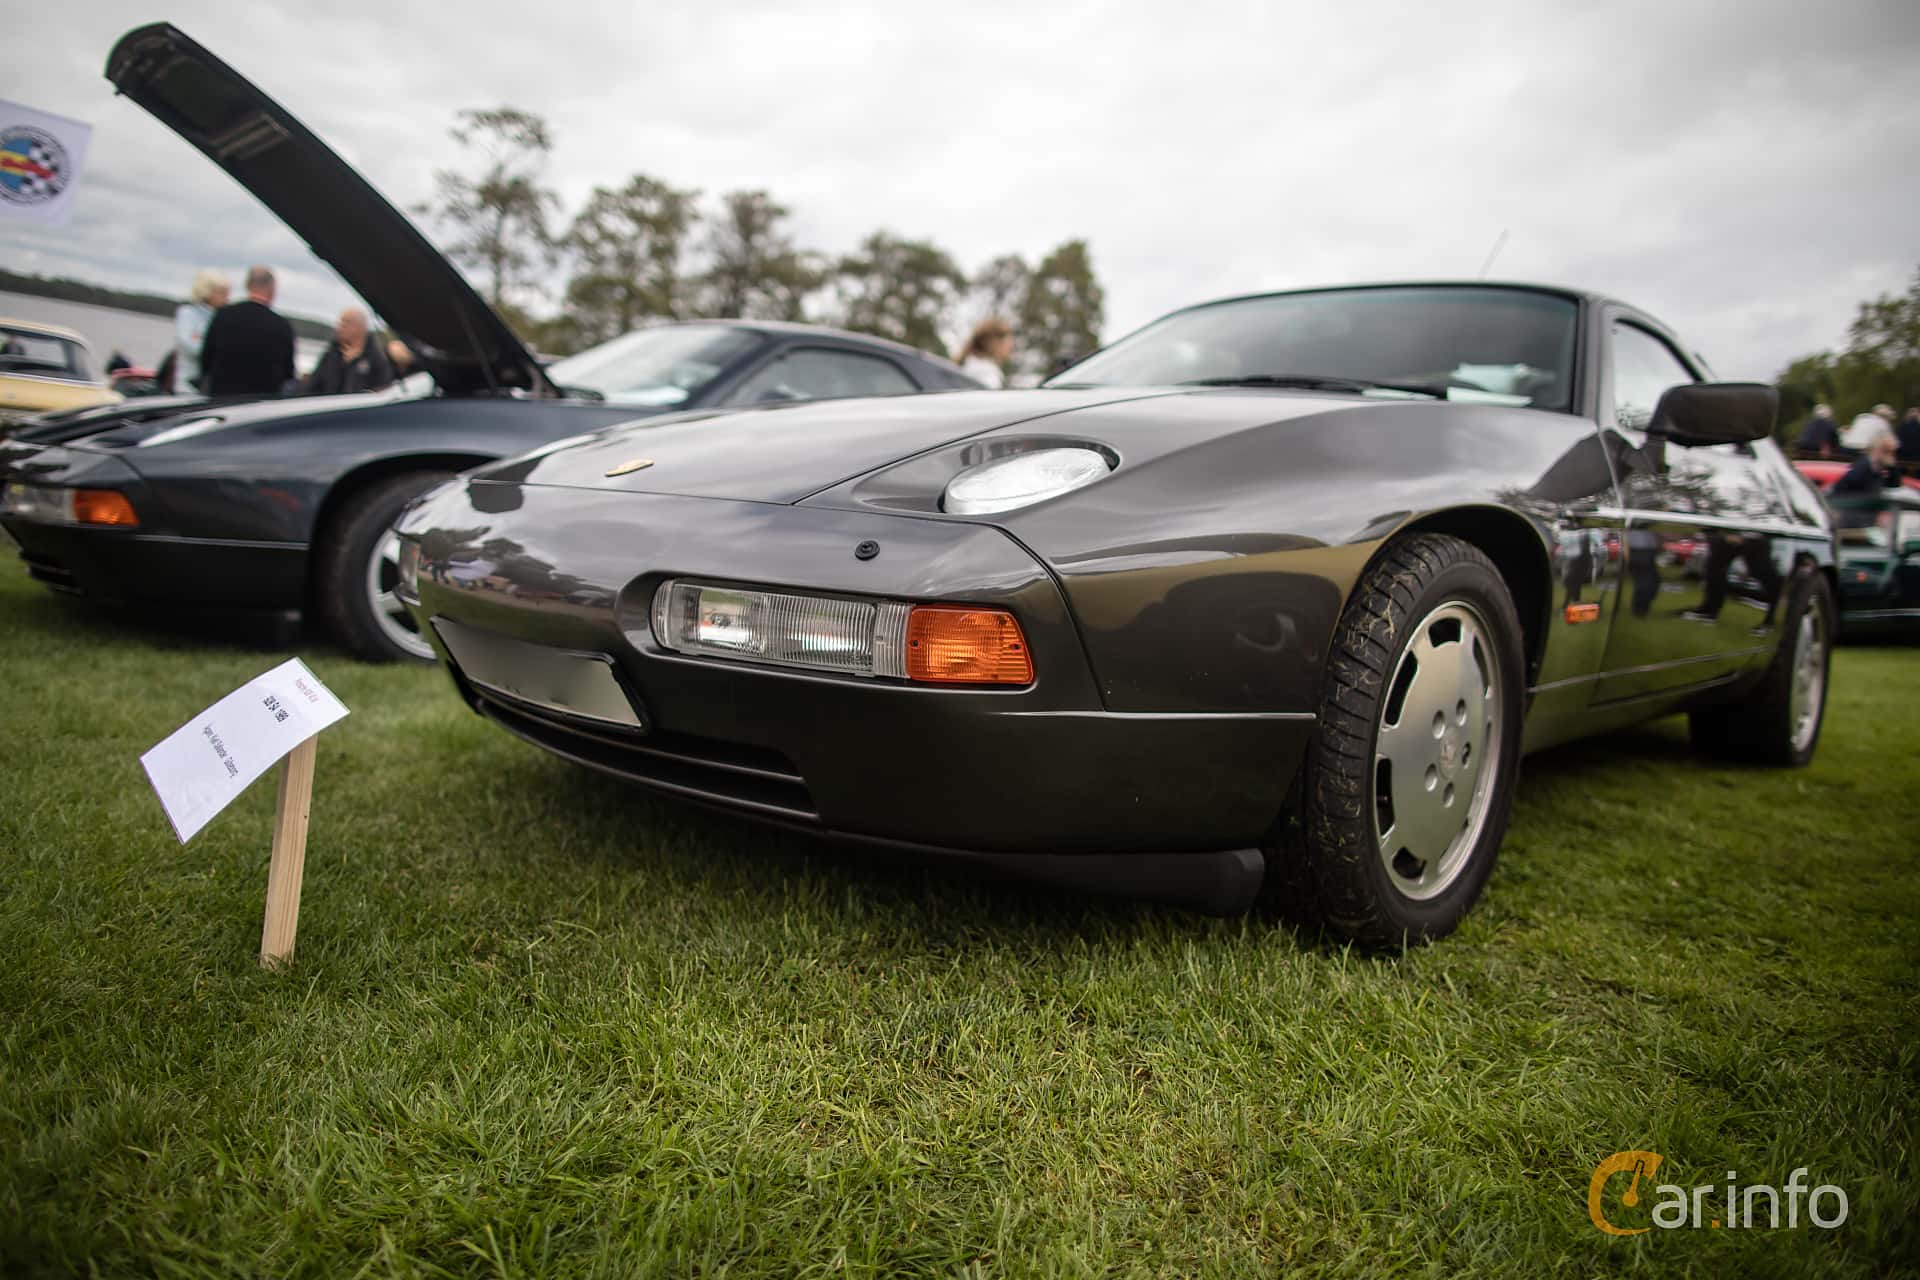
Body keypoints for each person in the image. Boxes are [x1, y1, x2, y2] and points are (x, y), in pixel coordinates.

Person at [199, 265, 294, 398]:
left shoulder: (224, 315)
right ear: (272, 289)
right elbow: (288, 373)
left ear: (247, 285)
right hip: (260, 404)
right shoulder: (281, 325)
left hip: (220, 399)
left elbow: (206, 358)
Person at [303, 307, 394, 395]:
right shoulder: (331, 355)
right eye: (340, 323)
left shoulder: (376, 359)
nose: (339, 327)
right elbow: (313, 386)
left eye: (345, 323)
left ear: (360, 328)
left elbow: (382, 391)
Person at [172, 269, 228, 393]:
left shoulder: (223, 318)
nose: (227, 298)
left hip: (210, 387)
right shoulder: (188, 313)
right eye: (222, 293)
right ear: (208, 292)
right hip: (187, 385)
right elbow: (188, 344)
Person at [1831, 432, 1903, 495]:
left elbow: (1894, 485)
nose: (1891, 456)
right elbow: (1840, 492)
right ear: (1879, 450)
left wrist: (1892, 467)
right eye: (1888, 452)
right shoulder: (1861, 470)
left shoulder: (1877, 470)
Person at [953, 317, 1014, 389]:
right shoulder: (986, 373)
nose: (1011, 346)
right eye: (1007, 342)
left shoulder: (972, 365)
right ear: (993, 342)